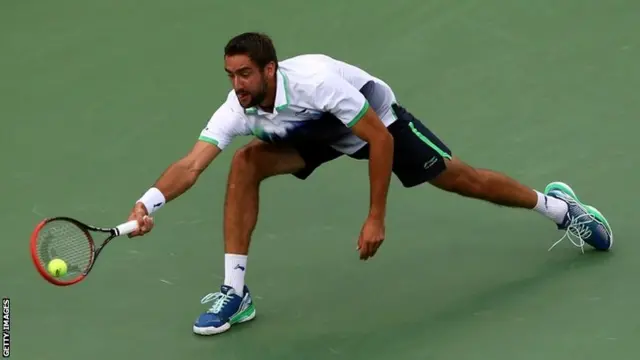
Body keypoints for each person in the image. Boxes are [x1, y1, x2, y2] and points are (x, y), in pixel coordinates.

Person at [125, 32, 613, 336]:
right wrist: (150, 203)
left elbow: (377, 140)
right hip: (311, 133)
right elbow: (191, 165)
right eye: (232, 75)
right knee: (245, 162)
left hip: (374, 121)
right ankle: (235, 293)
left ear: (270, 68)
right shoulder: (238, 107)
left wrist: (375, 216)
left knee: (463, 179)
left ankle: (560, 209)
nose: (238, 85)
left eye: (246, 74)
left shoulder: (316, 81)